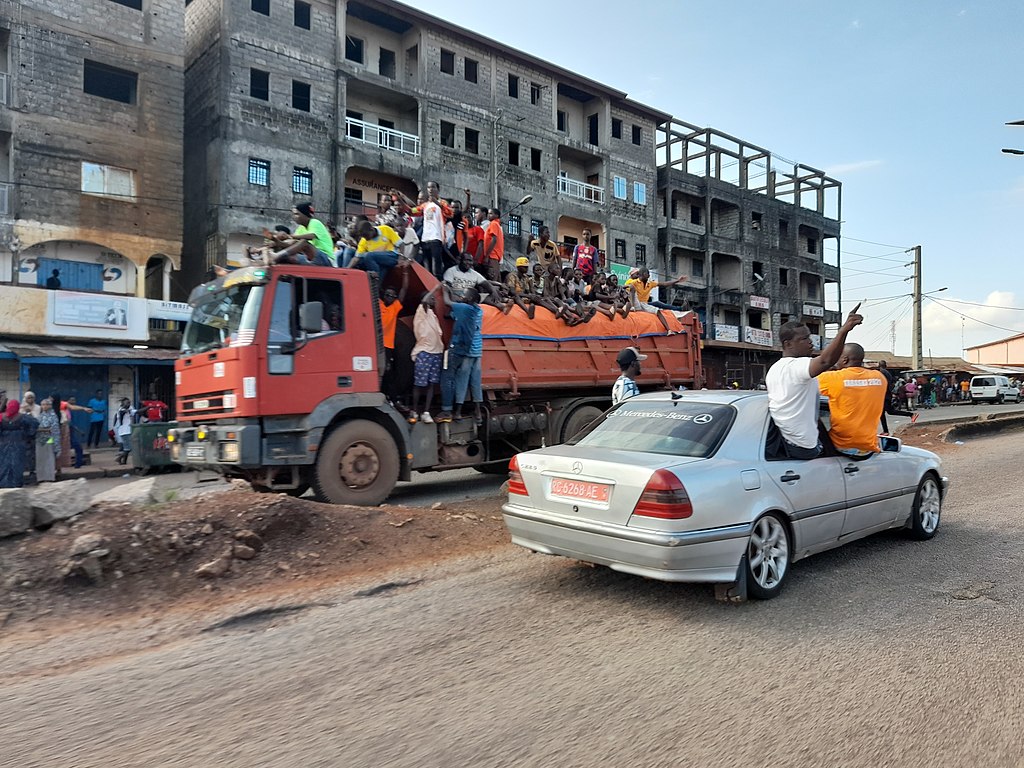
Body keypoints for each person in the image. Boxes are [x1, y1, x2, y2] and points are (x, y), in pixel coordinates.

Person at [765, 303, 864, 459]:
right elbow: (826, 361)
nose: (810, 342)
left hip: (787, 443)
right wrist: (844, 330)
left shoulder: (775, 369)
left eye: (809, 337)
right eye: (804, 339)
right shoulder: (795, 366)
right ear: (788, 344)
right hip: (803, 447)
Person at [817, 343, 889, 456]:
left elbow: (804, 386)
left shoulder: (832, 378)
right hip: (868, 447)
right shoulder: (879, 377)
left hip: (840, 445)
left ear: (845, 359)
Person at [436, 285, 484, 424]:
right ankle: (478, 412)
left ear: (469, 299)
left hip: (465, 350)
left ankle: (455, 412)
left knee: (460, 380)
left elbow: (448, 303)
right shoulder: (478, 310)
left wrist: (446, 291)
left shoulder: (463, 308)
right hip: (477, 349)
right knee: (476, 382)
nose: (461, 297)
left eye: (464, 295)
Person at [409, 285, 444, 424]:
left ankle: (426, 412)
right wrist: (436, 288)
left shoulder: (432, 314)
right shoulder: (421, 311)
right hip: (424, 352)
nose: (434, 301)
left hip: (436, 352)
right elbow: (424, 301)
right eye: (432, 298)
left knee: (431, 384)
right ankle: (414, 411)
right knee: (419, 384)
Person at [380, 264, 410, 409]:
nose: (390, 297)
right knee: (382, 369)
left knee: (388, 369)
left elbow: (404, 290)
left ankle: (392, 398)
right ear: (383, 295)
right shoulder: (378, 304)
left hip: (388, 345)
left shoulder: (394, 307)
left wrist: (405, 274)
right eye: (388, 295)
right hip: (376, 343)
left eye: (393, 296)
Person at [0, 400, 36, 487]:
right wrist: (28, 435)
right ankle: (16, 482)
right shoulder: (22, 417)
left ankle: (4, 483)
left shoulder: (2, 417)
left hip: (4, 443)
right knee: (17, 462)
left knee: (4, 462)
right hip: (18, 441)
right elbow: (34, 423)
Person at [35, 398, 59, 483]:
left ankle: (49, 477)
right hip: (39, 439)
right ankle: (41, 477)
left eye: (46, 404)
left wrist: (44, 430)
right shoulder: (40, 416)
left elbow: (54, 429)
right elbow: (36, 427)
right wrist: (43, 429)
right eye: (42, 404)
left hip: (49, 439)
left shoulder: (53, 416)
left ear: (50, 406)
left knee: (49, 458)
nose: (44, 406)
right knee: (40, 459)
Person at [482, 208, 505, 281]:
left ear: (496, 215)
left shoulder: (494, 224)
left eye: (491, 213)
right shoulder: (497, 224)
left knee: (493, 279)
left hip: (492, 255)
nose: (488, 215)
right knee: (497, 279)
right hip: (495, 256)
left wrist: (487, 256)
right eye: (488, 213)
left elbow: (494, 239)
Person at [112, 397, 135, 465]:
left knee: (126, 447)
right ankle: (119, 458)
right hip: (124, 430)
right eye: (126, 402)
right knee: (129, 448)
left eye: (129, 402)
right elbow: (117, 416)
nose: (128, 403)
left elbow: (132, 417)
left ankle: (124, 461)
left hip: (127, 429)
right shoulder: (121, 409)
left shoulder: (130, 408)